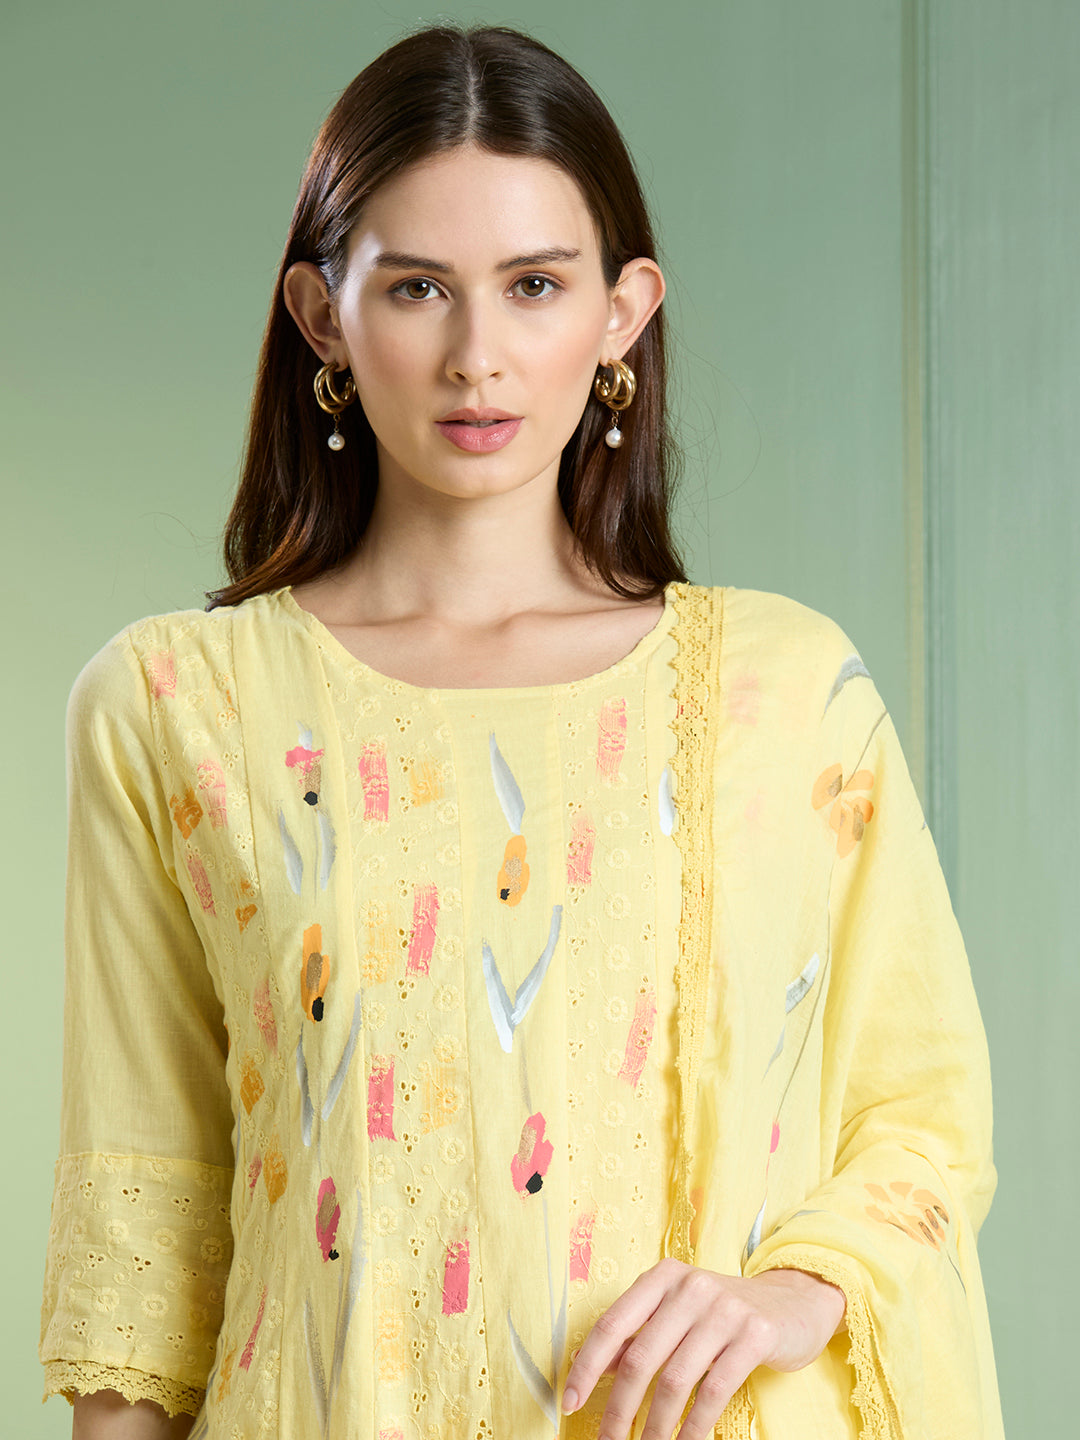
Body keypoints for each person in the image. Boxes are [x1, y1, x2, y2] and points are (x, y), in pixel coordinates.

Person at [38, 22, 1004, 1440]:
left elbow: (921, 1118)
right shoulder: (178, 706)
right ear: (321, 314)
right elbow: (145, 1232)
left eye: (534, 285)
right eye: (416, 288)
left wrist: (800, 1290)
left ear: (622, 312)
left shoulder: (788, 694)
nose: (476, 357)